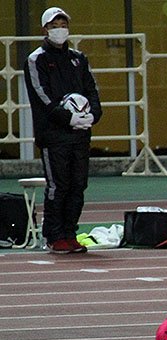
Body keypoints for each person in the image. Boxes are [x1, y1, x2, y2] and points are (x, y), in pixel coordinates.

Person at [23, 7, 101, 254]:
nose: (60, 30)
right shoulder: (36, 59)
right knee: (59, 185)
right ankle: (54, 236)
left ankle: (70, 233)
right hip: (54, 135)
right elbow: (42, 97)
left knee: (78, 185)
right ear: (45, 29)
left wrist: (93, 115)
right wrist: (69, 118)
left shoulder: (78, 58)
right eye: (54, 26)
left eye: (63, 25)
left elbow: (92, 90)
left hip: (80, 135)